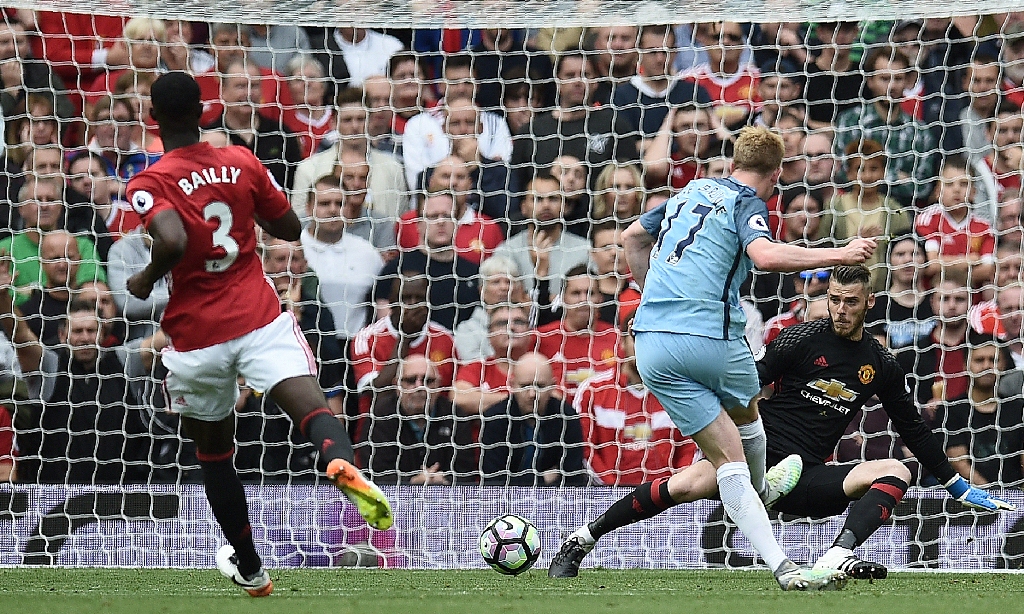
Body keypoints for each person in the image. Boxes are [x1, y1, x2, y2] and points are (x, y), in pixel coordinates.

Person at [550, 265, 1015, 581]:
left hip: (806, 474)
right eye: (834, 299)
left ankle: (836, 557)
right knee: (685, 484)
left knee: (896, 470)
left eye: (850, 301)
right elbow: (746, 388)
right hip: (755, 459)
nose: (840, 309)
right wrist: (728, 444)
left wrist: (957, 487)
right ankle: (582, 540)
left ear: (869, 303)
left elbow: (912, 428)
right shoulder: (798, 339)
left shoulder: (881, 363)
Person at [123, 72, 391, 598]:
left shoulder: (148, 183)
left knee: (216, 455)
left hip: (196, 337)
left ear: (152, 119)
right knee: (312, 406)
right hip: (257, 315)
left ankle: (250, 567)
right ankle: (339, 460)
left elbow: (173, 239)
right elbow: (291, 229)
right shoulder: (241, 161)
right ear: (204, 111)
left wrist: (146, 276)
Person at [617, 125, 878, 591]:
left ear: (734, 160)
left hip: (650, 343)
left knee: (726, 459)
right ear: (776, 174)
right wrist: (842, 250)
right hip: (710, 338)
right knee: (747, 430)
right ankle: (766, 498)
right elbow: (764, 256)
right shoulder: (747, 203)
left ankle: (780, 560)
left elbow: (633, 237)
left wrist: (648, 292)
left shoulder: (689, 190)